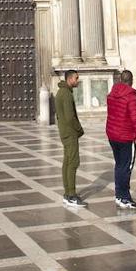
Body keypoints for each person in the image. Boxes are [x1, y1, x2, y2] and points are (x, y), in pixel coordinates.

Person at [106, 70, 136, 209]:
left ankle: (119, 195)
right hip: (126, 135)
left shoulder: (112, 94)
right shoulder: (131, 96)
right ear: (131, 80)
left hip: (113, 134)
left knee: (119, 165)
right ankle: (125, 197)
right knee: (126, 167)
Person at [55, 70, 86, 207]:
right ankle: (71, 195)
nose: (78, 80)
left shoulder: (61, 92)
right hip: (70, 132)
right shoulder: (66, 94)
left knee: (67, 162)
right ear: (70, 79)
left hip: (65, 132)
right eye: (76, 78)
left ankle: (68, 193)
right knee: (73, 162)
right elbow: (69, 117)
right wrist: (79, 129)